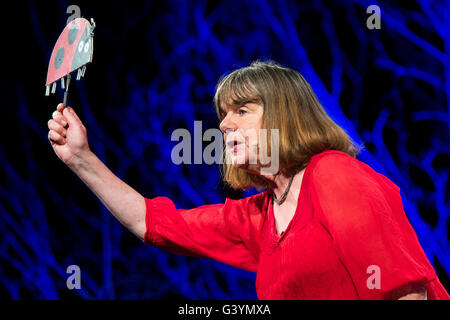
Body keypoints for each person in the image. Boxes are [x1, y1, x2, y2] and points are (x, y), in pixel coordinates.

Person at [47, 61, 449, 300]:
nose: (224, 124)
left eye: (242, 110)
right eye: (224, 114)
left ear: (284, 115)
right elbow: (152, 223)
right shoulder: (258, 217)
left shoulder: (332, 175)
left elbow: (404, 290)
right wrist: (82, 159)